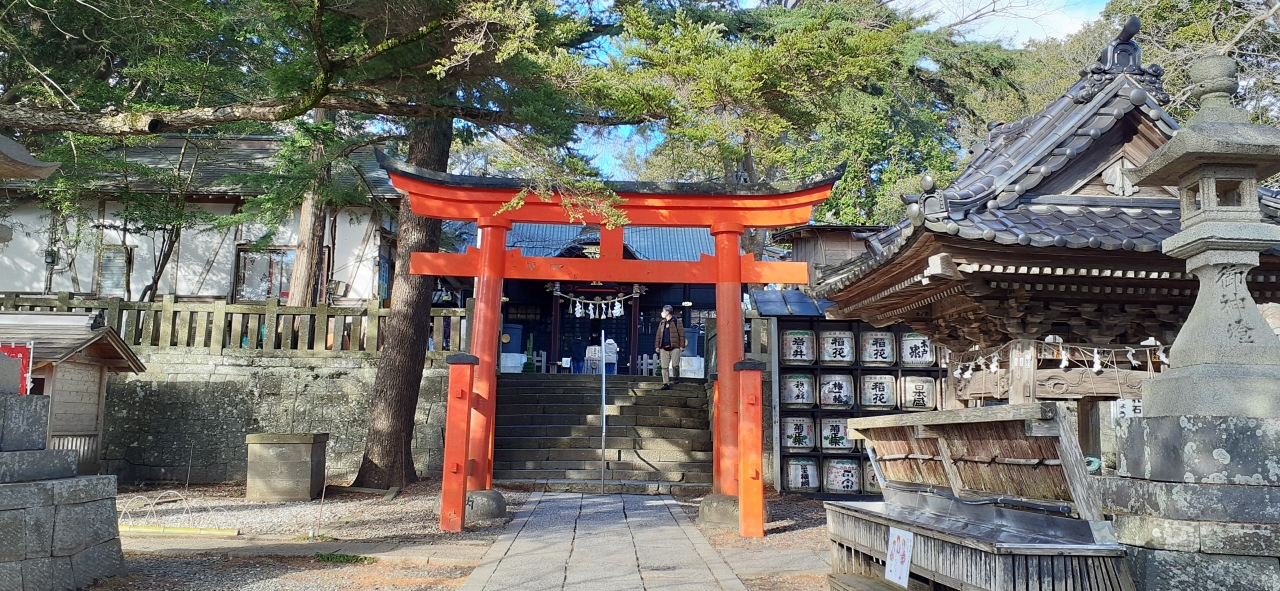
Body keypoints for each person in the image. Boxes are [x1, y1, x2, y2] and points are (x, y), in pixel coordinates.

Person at [654, 305, 687, 389]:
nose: (662, 313)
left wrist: (682, 346)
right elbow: (658, 335)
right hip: (663, 347)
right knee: (664, 367)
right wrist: (657, 346)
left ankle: (676, 376)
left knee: (675, 365)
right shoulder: (662, 323)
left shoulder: (677, 322)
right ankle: (666, 383)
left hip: (675, 346)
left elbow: (682, 334)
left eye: (663, 311)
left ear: (667, 312)